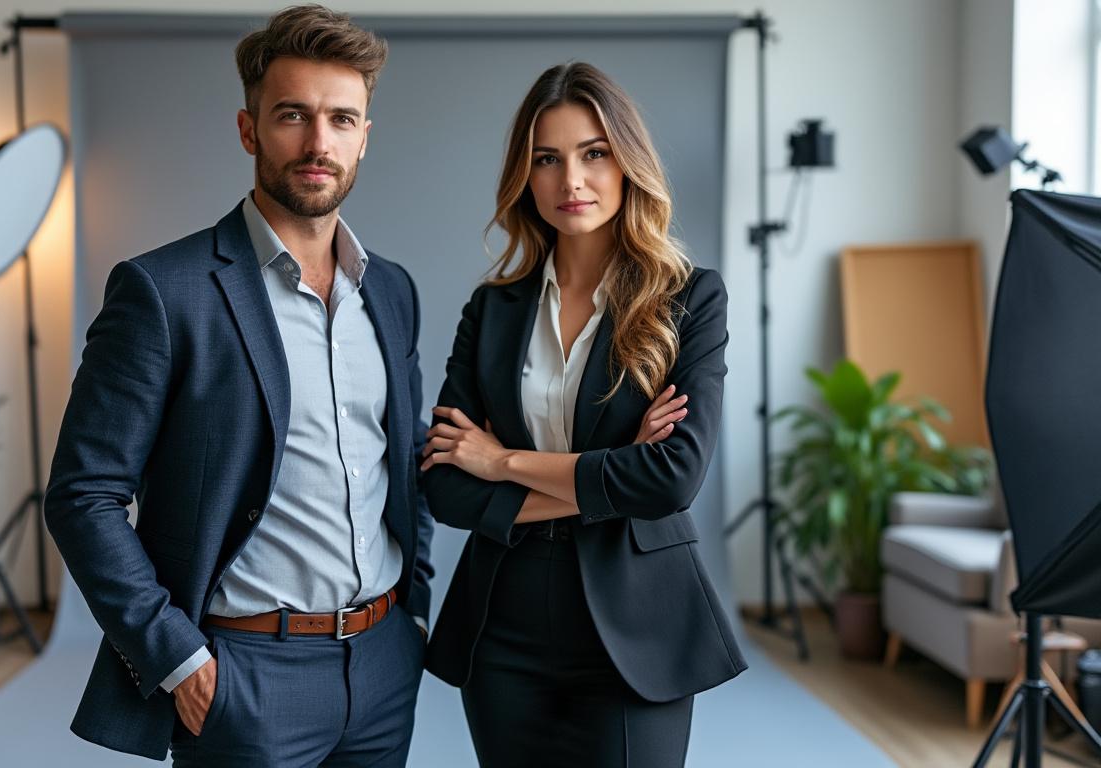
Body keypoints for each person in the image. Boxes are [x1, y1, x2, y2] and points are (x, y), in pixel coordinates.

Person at [44, 6, 434, 765]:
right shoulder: (165, 291)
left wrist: (411, 614)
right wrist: (181, 664)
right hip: (245, 677)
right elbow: (82, 494)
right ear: (249, 128)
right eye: (293, 115)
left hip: (385, 664)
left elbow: (400, 464)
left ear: (364, 138)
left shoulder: (391, 292)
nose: (319, 143)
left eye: (341, 119)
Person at [420, 62, 746, 767]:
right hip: (503, 624)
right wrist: (610, 471)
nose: (572, 180)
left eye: (594, 153)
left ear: (628, 164)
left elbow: (670, 480)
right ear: (525, 177)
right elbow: (445, 486)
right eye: (548, 159)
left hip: (637, 623)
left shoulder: (688, 301)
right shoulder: (492, 310)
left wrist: (500, 462)